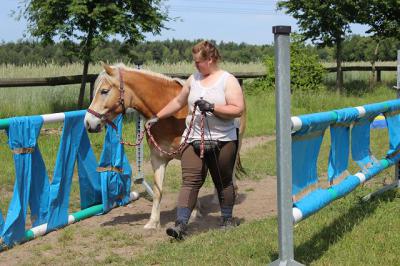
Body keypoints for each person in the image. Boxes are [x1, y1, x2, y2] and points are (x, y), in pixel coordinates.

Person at [146, 40, 245, 240]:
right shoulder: (193, 79)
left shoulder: (228, 80)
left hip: (222, 140)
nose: (195, 65)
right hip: (193, 138)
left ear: (210, 60)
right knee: (189, 182)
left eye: (198, 62)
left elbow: (237, 109)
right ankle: (180, 225)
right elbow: (178, 101)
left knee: (223, 181)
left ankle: (226, 219)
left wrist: (213, 107)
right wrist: (157, 116)